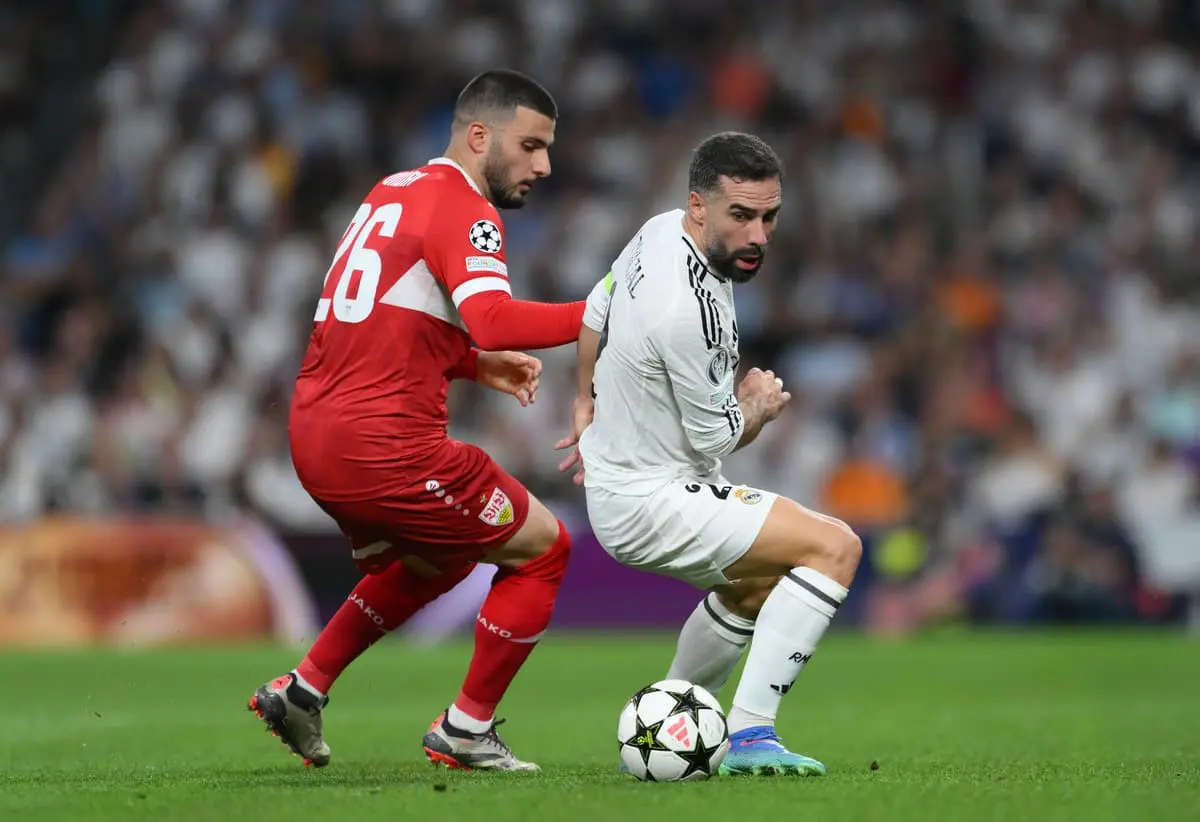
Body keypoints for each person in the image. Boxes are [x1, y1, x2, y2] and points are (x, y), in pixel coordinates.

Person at [248, 69, 586, 772]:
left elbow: (379, 323)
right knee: (544, 548)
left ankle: (304, 688)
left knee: (445, 555)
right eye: (530, 146)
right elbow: (494, 318)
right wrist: (606, 311)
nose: (544, 165)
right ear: (478, 136)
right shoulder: (467, 210)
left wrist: (470, 363)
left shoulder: (391, 192)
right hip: (387, 447)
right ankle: (467, 728)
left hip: (315, 436)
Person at [555, 132, 862, 777]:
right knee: (836, 547)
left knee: (759, 584)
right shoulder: (684, 312)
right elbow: (716, 439)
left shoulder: (659, 230)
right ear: (699, 206)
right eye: (741, 217)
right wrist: (758, 403)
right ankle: (752, 735)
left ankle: (667, 720)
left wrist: (583, 397)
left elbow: (598, 303)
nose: (758, 236)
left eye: (769, 217)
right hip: (654, 497)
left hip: (628, 481)